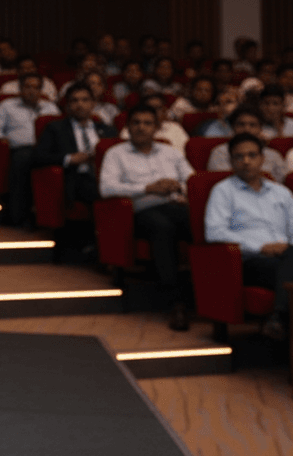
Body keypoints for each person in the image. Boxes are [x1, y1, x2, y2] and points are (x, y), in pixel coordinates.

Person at [204, 133, 293, 341]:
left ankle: (278, 319)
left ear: (262, 159)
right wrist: (262, 247)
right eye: (239, 156)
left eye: (252, 155)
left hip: (287, 256)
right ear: (231, 161)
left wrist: (291, 249)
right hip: (250, 261)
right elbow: (214, 232)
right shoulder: (223, 191)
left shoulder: (281, 192)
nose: (246, 161)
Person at [99, 103, 194, 330]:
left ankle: (210, 293)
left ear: (156, 128)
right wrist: (148, 188)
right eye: (136, 123)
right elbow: (107, 188)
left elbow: (192, 180)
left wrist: (177, 186)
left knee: (201, 224)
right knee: (163, 228)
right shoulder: (116, 154)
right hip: (140, 212)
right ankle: (175, 302)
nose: (141, 128)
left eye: (147, 123)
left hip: (174, 205)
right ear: (128, 127)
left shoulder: (170, 152)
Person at [0, 72, 60, 227]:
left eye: (36, 87)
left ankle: (50, 219)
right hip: (20, 150)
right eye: (27, 87)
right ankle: (19, 217)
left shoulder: (50, 107)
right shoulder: (6, 105)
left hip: (46, 152)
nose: (31, 91)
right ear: (20, 88)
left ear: (41, 90)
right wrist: (2, 140)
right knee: (23, 160)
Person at [33, 83, 118, 209]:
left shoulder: (108, 130)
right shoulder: (55, 128)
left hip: (107, 175)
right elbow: (38, 157)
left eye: (85, 100)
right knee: (104, 191)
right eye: (75, 100)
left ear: (93, 104)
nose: (80, 105)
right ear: (67, 105)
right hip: (78, 178)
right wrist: (69, 159)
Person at [206, 107, 287, 181]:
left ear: (260, 128)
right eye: (241, 124)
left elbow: (282, 185)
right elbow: (222, 182)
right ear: (233, 127)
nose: (246, 129)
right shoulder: (220, 152)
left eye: (252, 125)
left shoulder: (274, 155)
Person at [119, 92, 188, 154]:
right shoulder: (129, 130)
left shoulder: (175, 128)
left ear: (164, 110)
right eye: (150, 108)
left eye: (158, 108)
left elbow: (183, 155)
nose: (154, 112)